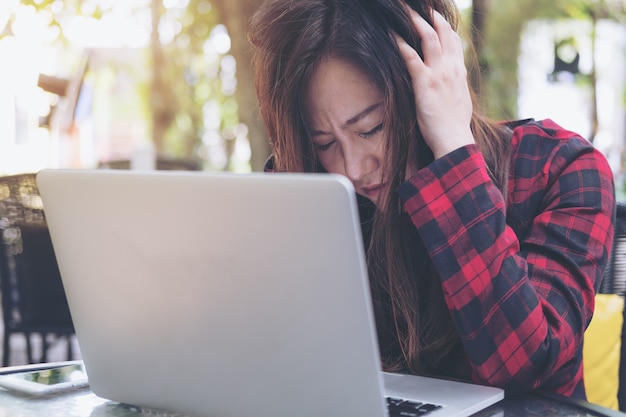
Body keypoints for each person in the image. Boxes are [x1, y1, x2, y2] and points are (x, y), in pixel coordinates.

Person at [247, 0, 616, 399]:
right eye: (325, 142)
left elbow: (525, 374)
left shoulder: (562, 171)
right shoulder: (315, 191)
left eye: (371, 128)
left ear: (437, 83)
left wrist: (453, 149)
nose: (350, 169)